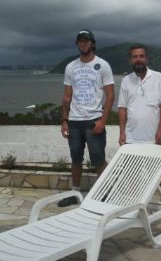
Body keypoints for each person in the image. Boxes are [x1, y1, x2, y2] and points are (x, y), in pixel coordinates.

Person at [58, 29, 115, 207]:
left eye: (86, 41)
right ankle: (75, 192)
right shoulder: (71, 66)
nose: (83, 44)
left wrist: (102, 120)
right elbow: (67, 96)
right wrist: (64, 120)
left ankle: (106, 194)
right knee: (75, 158)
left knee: (98, 158)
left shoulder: (103, 65)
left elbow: (110, 95)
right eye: (80, 41)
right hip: (74, 121)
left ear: (93, 43)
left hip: (94, 120)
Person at [118, 43, 161, 192]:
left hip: (153, 137)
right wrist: (122, 132)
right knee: (132, 175)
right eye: (135, 57)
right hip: (131, 138)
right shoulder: (126, 81)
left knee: (159, 173)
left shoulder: (158, 77)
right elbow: (122, 109)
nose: (138, 59)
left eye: (141, 56)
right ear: (130, 60)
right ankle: (133, 206)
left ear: (147, 59)